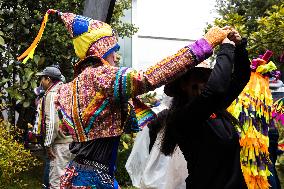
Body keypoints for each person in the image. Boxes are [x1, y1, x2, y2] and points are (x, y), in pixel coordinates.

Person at [17, 9, 232, 189]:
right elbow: (148, 78)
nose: (116, 56)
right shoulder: (100, 76)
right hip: (94, 179)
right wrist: (204, 44)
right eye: (114, 50)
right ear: (102, 51)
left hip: (78, 173)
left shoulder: (72, 85)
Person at [161, 30, 251, 188]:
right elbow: (215, 89)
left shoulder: (215, 107)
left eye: (206, 77)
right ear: (183, 85)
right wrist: (226, 49)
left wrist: (239, 47)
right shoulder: (183, 118)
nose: (205, 82)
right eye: (199, 77)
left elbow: (240, 77)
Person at [34, 66, 73, 189]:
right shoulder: (67, 90)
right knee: (69, 179)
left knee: (57, 181)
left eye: (42, 79)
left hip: (60, 144)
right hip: (72, 142)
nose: (41, 82)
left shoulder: (52, 94)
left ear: (49, 79)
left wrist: (48, 145)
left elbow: (52, 123)